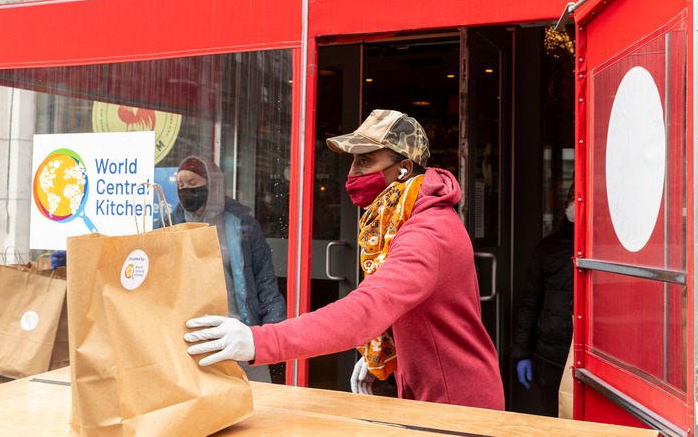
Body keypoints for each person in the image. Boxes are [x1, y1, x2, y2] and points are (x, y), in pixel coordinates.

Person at [184, 109, 505, 410]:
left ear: (404, 169)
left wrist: (258, 340)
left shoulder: (426, 233)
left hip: (457, 404)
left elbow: (368, 309)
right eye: (352, 162)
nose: (352, 174)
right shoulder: (407, 217)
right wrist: (393, 354)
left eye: (365, 161)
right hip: (439, 394)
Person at [163, 155, 286, 383]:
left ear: (214, 184)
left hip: (239, 331)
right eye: (180, 185)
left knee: (258, 401)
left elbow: (264, 280)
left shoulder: (241, 223)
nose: (186, 190)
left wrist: (272, 333)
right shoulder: (167, 226)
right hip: (190, 336)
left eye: (193, 184)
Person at [511, 183, 575, 417]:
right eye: (571, 196)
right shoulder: (547, 249)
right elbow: (530, 304)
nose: (574, 202)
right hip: (551, 357)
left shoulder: (607, 250)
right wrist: (523, 354)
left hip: (594, 361)